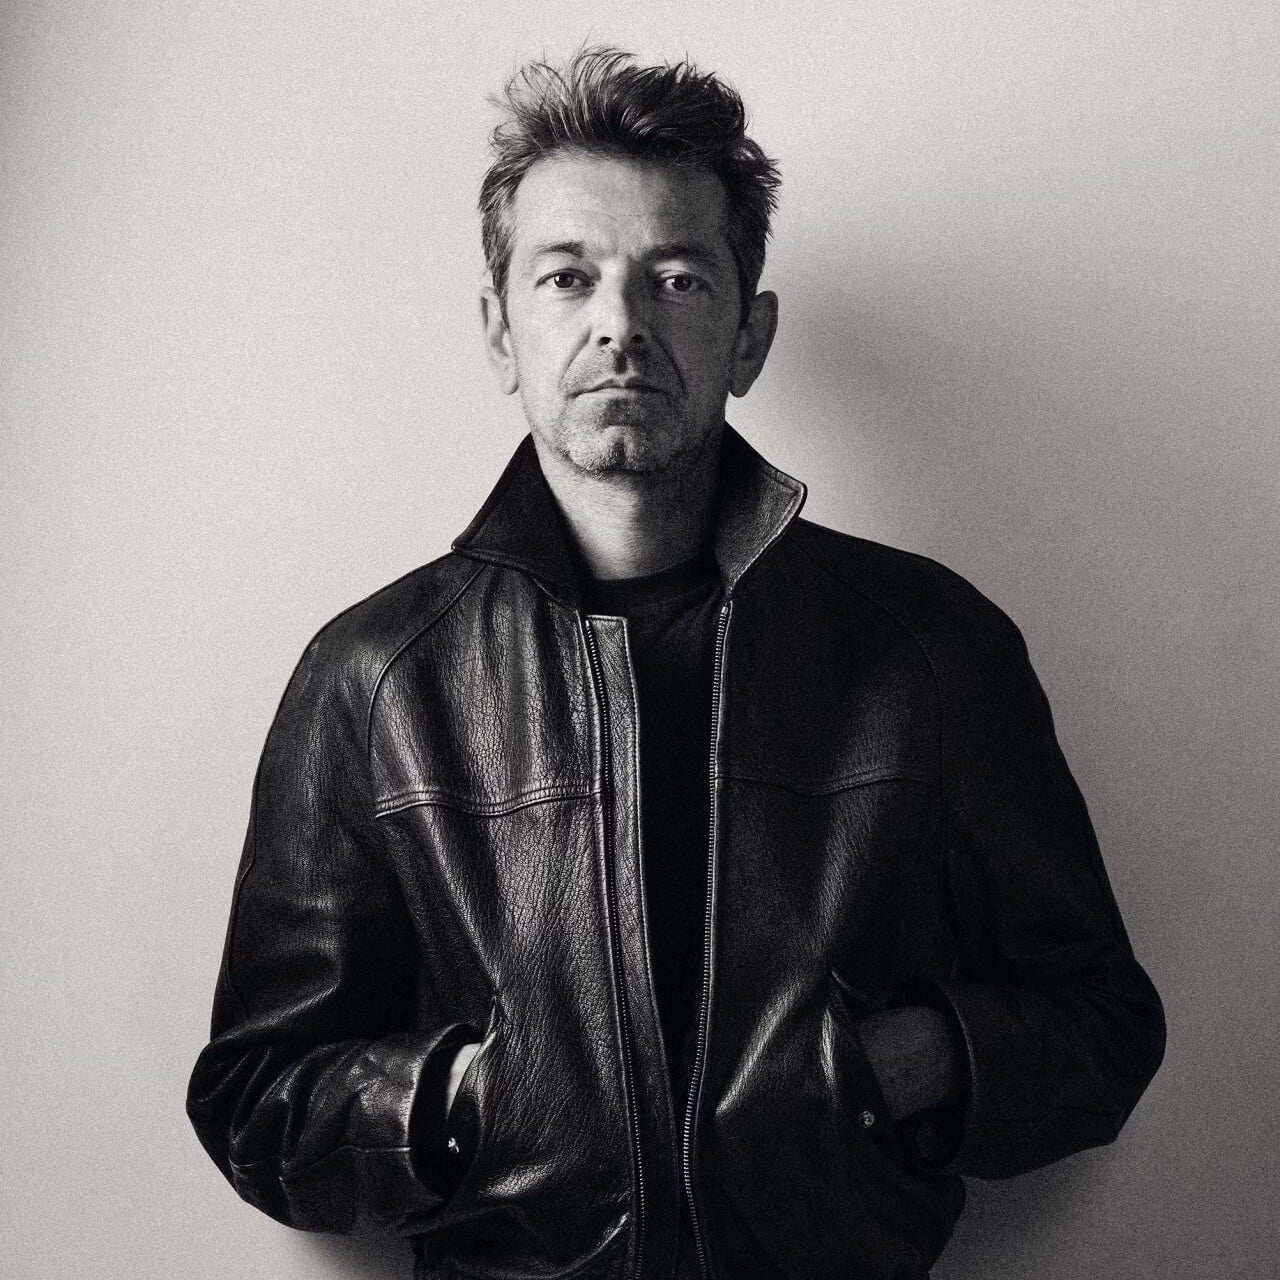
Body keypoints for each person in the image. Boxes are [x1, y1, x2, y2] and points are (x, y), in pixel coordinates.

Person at [186, 47, 1165, 1280]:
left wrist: (899, 1061)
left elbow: (1098, 1023)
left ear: (747, 335)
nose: (619, 324)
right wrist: (473, 1095)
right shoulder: (376, 678)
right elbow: (256, 1098)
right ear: (499, 331)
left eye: (677, 278)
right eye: (566, 276)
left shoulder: (929, 647)